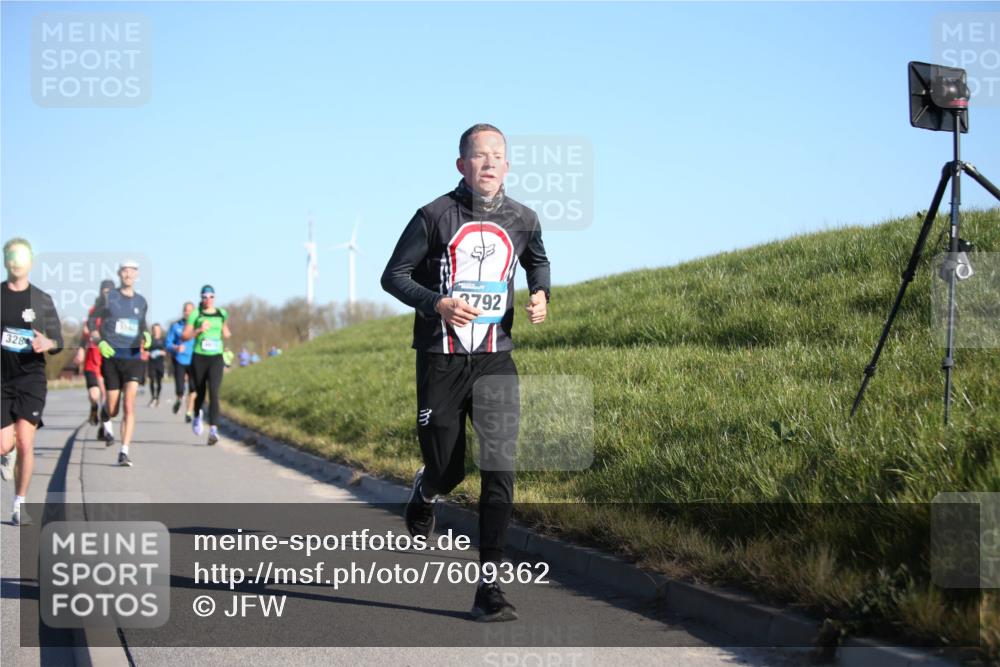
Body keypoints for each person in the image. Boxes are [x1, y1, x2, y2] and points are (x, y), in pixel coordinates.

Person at [381, 124, 550, 622]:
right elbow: (393, 276)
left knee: (500, 469)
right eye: (480, 156)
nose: (490, 163)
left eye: (498, 155)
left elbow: (537, 261)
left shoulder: (524, 218)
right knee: (448, 468)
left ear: (508, 164)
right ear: (462, 165)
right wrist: (438, 303)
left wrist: (540, 291)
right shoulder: (433, 216)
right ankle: (426, 490)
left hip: (496, 360)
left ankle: (489, 588)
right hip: (441, 359)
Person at [0, 238, 63, 525]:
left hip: (31, 379)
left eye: (21, 256)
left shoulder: (41, 300)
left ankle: (19, 503)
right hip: (1, 379)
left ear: (30, 261)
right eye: (11, 255)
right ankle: (7, 451)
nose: (16, 261)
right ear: (5, 260)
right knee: (3, 445)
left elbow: (58, 341)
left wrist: (46, 342)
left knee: (26, 441)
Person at [88, 259, 151, 467]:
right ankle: (106, 415)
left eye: (132, 271)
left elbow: (142, 325)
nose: (128, 274)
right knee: (113, 408)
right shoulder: (109, 298)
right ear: (119, 274)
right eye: (125, 271)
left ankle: (124, 451)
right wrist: (100, 341)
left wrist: (147, 335)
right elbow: (91, 322)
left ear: (137, 275)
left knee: (129, 405)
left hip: (133, 358)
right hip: (112, 358)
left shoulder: (141, 302)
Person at [182, 285, 230, 446]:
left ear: (214, 298)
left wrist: (226, 334)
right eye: (204, 297)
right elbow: (185, 336)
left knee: (214, 391)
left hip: (216, 357)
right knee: (200, 391)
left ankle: (214, 430)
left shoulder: (221, 313)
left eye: (211, 297)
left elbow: (225, 330)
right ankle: (197, 416)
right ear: (201, 298)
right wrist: (198, 330)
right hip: (199, 357)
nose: (208, 300)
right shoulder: (196, 314)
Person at [75, 279, 114, 429]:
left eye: (110, 293)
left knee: (106, 394)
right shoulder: (94, 310)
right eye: (104, 292)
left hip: (108, 357)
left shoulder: (116, 310)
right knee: (94, 395)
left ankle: (107, 430)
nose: (107, 295)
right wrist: (81, 349)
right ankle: (93, 408)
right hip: (93, 356)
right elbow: (86, 333)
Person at [166, 302, 198, 422]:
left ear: (194, 312)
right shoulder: (175, 326)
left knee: (193, 388)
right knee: (180, 388)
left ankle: (189, 412)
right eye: (186, 310)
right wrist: (176, 347)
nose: (188, 313)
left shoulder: (198, 326)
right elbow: (168, 344)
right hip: (179, 359)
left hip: (194, 360)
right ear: (183, 311)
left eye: (190, 310)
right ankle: (179, 399)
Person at [146, 323, 166, 406]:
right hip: (151, 363)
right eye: (154, 329)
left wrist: (160, 352)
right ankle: (153, 397)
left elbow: (166, 352)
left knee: (159, 381)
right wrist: (149, 353)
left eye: (157, 329)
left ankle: (157, 397)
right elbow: (145, 350)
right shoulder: (149, 339)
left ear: (160, 330)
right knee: (152, 380)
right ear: (152, 330)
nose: (156, 331)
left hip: (160, 363)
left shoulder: (163, 339)